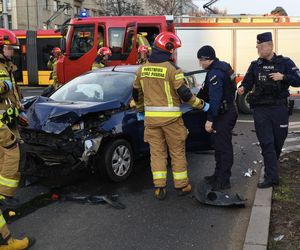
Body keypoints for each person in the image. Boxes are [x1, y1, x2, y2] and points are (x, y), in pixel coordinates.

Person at [133, 32, 209, 200]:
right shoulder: (173, 70)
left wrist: (140, 111)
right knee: (177, 152)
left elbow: (136, 93)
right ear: (168, 49)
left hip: (151, 121)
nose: (174, 52)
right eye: (173, 49)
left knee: (157, 153)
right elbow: (185, 95)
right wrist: (202, 105)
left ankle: (159, 186)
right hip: (172, 121)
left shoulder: (142, 69)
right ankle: (182, 186)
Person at [237, 32, 300, 188]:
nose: (258, 48)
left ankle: (271, 168)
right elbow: (247, 83)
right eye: (257, 46)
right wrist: (243, 88)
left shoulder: (284, 63)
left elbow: (298, 80)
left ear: (269, 46)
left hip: (279, 108)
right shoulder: (255, 65)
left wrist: (283, 77)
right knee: (267, 143)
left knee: (278, 142)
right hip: (261, 110)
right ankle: (271, 177)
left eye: (260, 46)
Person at [0, 28, 34, 250]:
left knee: (9, 158)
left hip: (8, 122)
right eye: (9, 48)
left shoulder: (7, 67)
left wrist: (18, 110)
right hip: (2, 126)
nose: (12, 51)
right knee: (13, 154)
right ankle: (3, 198)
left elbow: (12, 98)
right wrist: (4, 86)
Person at [197, 45, 238, 191]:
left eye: (201, 60)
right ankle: (217, 174)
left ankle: (224, 180)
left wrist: (210, 119)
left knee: (223, 147)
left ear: (207, 59)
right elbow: (204, 92)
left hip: (224, 114)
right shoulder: (223, 67)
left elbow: (215, 100)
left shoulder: (215, 73)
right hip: (227, 110)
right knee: (219, 146)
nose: (200, 63)